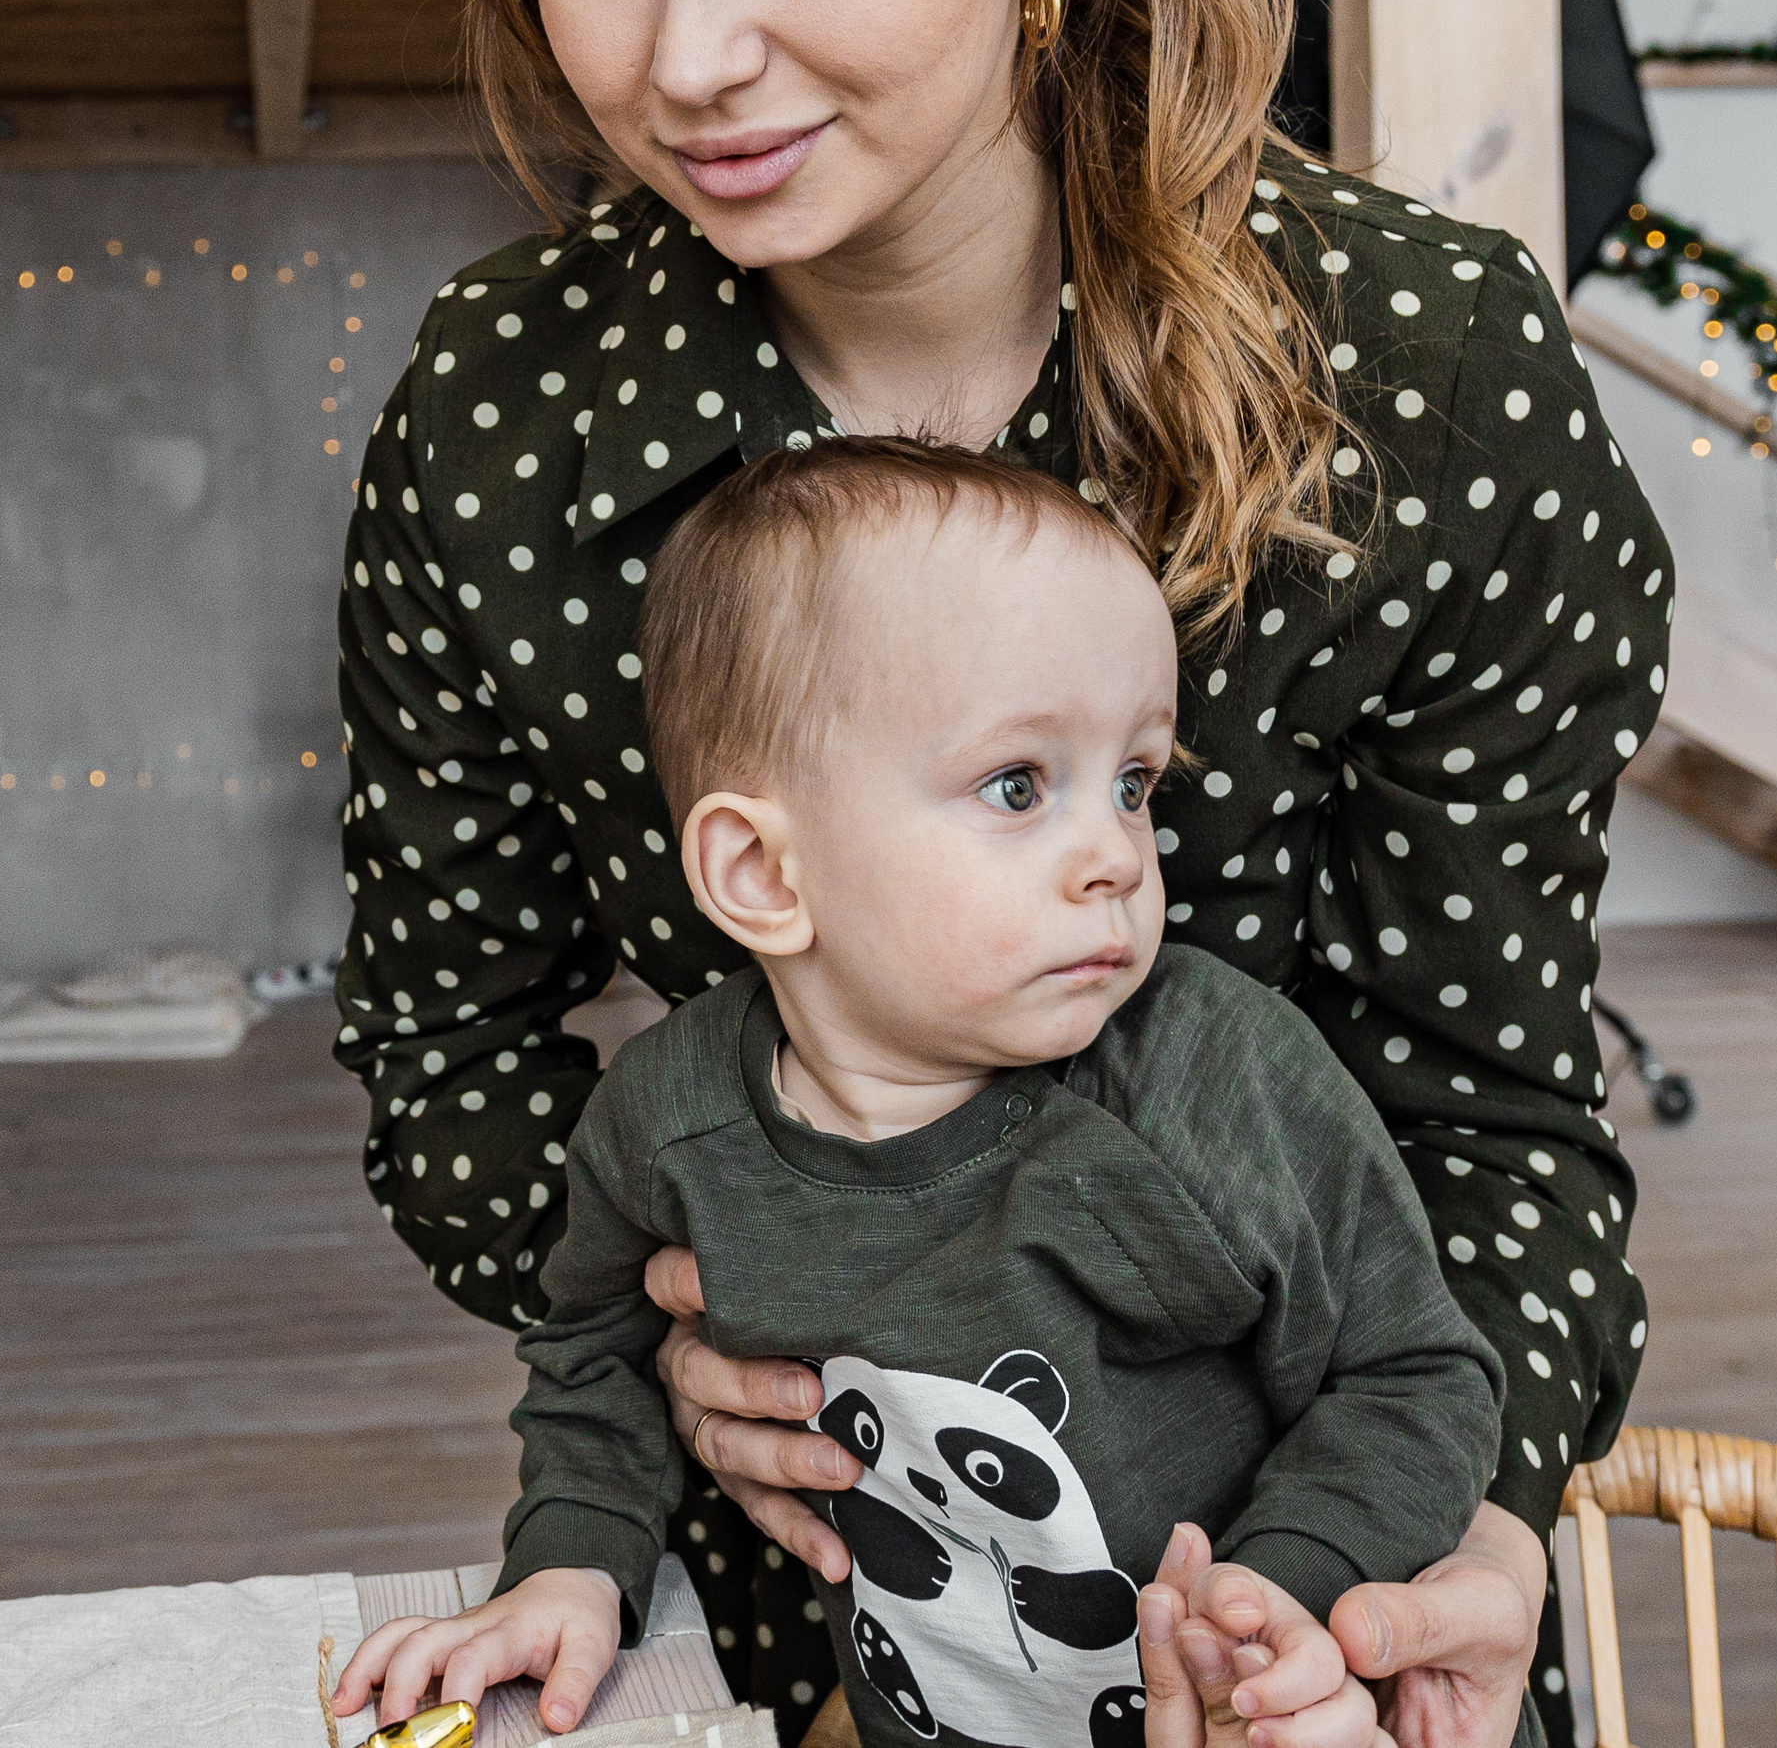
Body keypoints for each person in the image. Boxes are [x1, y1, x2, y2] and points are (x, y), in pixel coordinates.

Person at [331, 0, 1671, 1742]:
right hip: (838, 1625)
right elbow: (440, 1050)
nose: (685, 55)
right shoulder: (501, 412)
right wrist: (692, 1305)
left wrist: (1439, 1533)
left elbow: (1498, 1122)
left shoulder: (1422, 377)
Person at [332, 441, 1506, 1746]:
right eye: (1019, 786)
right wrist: (571, 1562)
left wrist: (1288, 1586)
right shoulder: (670, 1125)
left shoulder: (1213, 1075)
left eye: (1133, 784)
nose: (1113, 855)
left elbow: (1416, 1378)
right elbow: (595, 1354)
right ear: (763, 875)